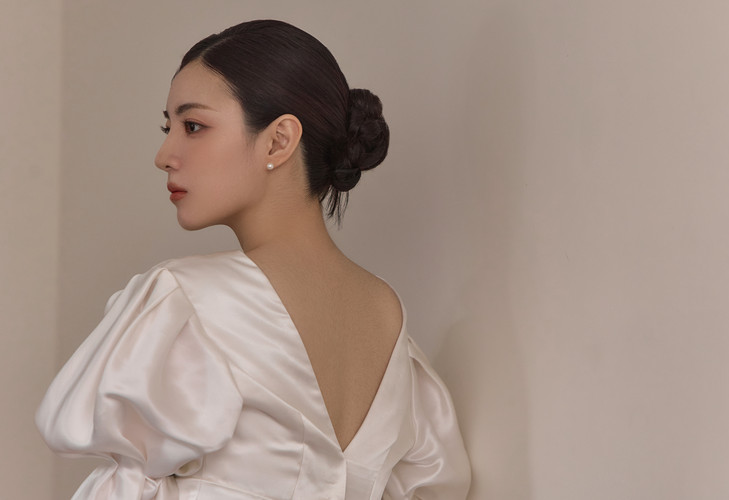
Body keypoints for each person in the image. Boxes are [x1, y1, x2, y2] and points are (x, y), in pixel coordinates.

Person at [36, 20, 471, 500]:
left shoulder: (186, 300)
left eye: (193, 126)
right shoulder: (387, 315)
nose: (164, 155)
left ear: (279, 140)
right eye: (168, 128)